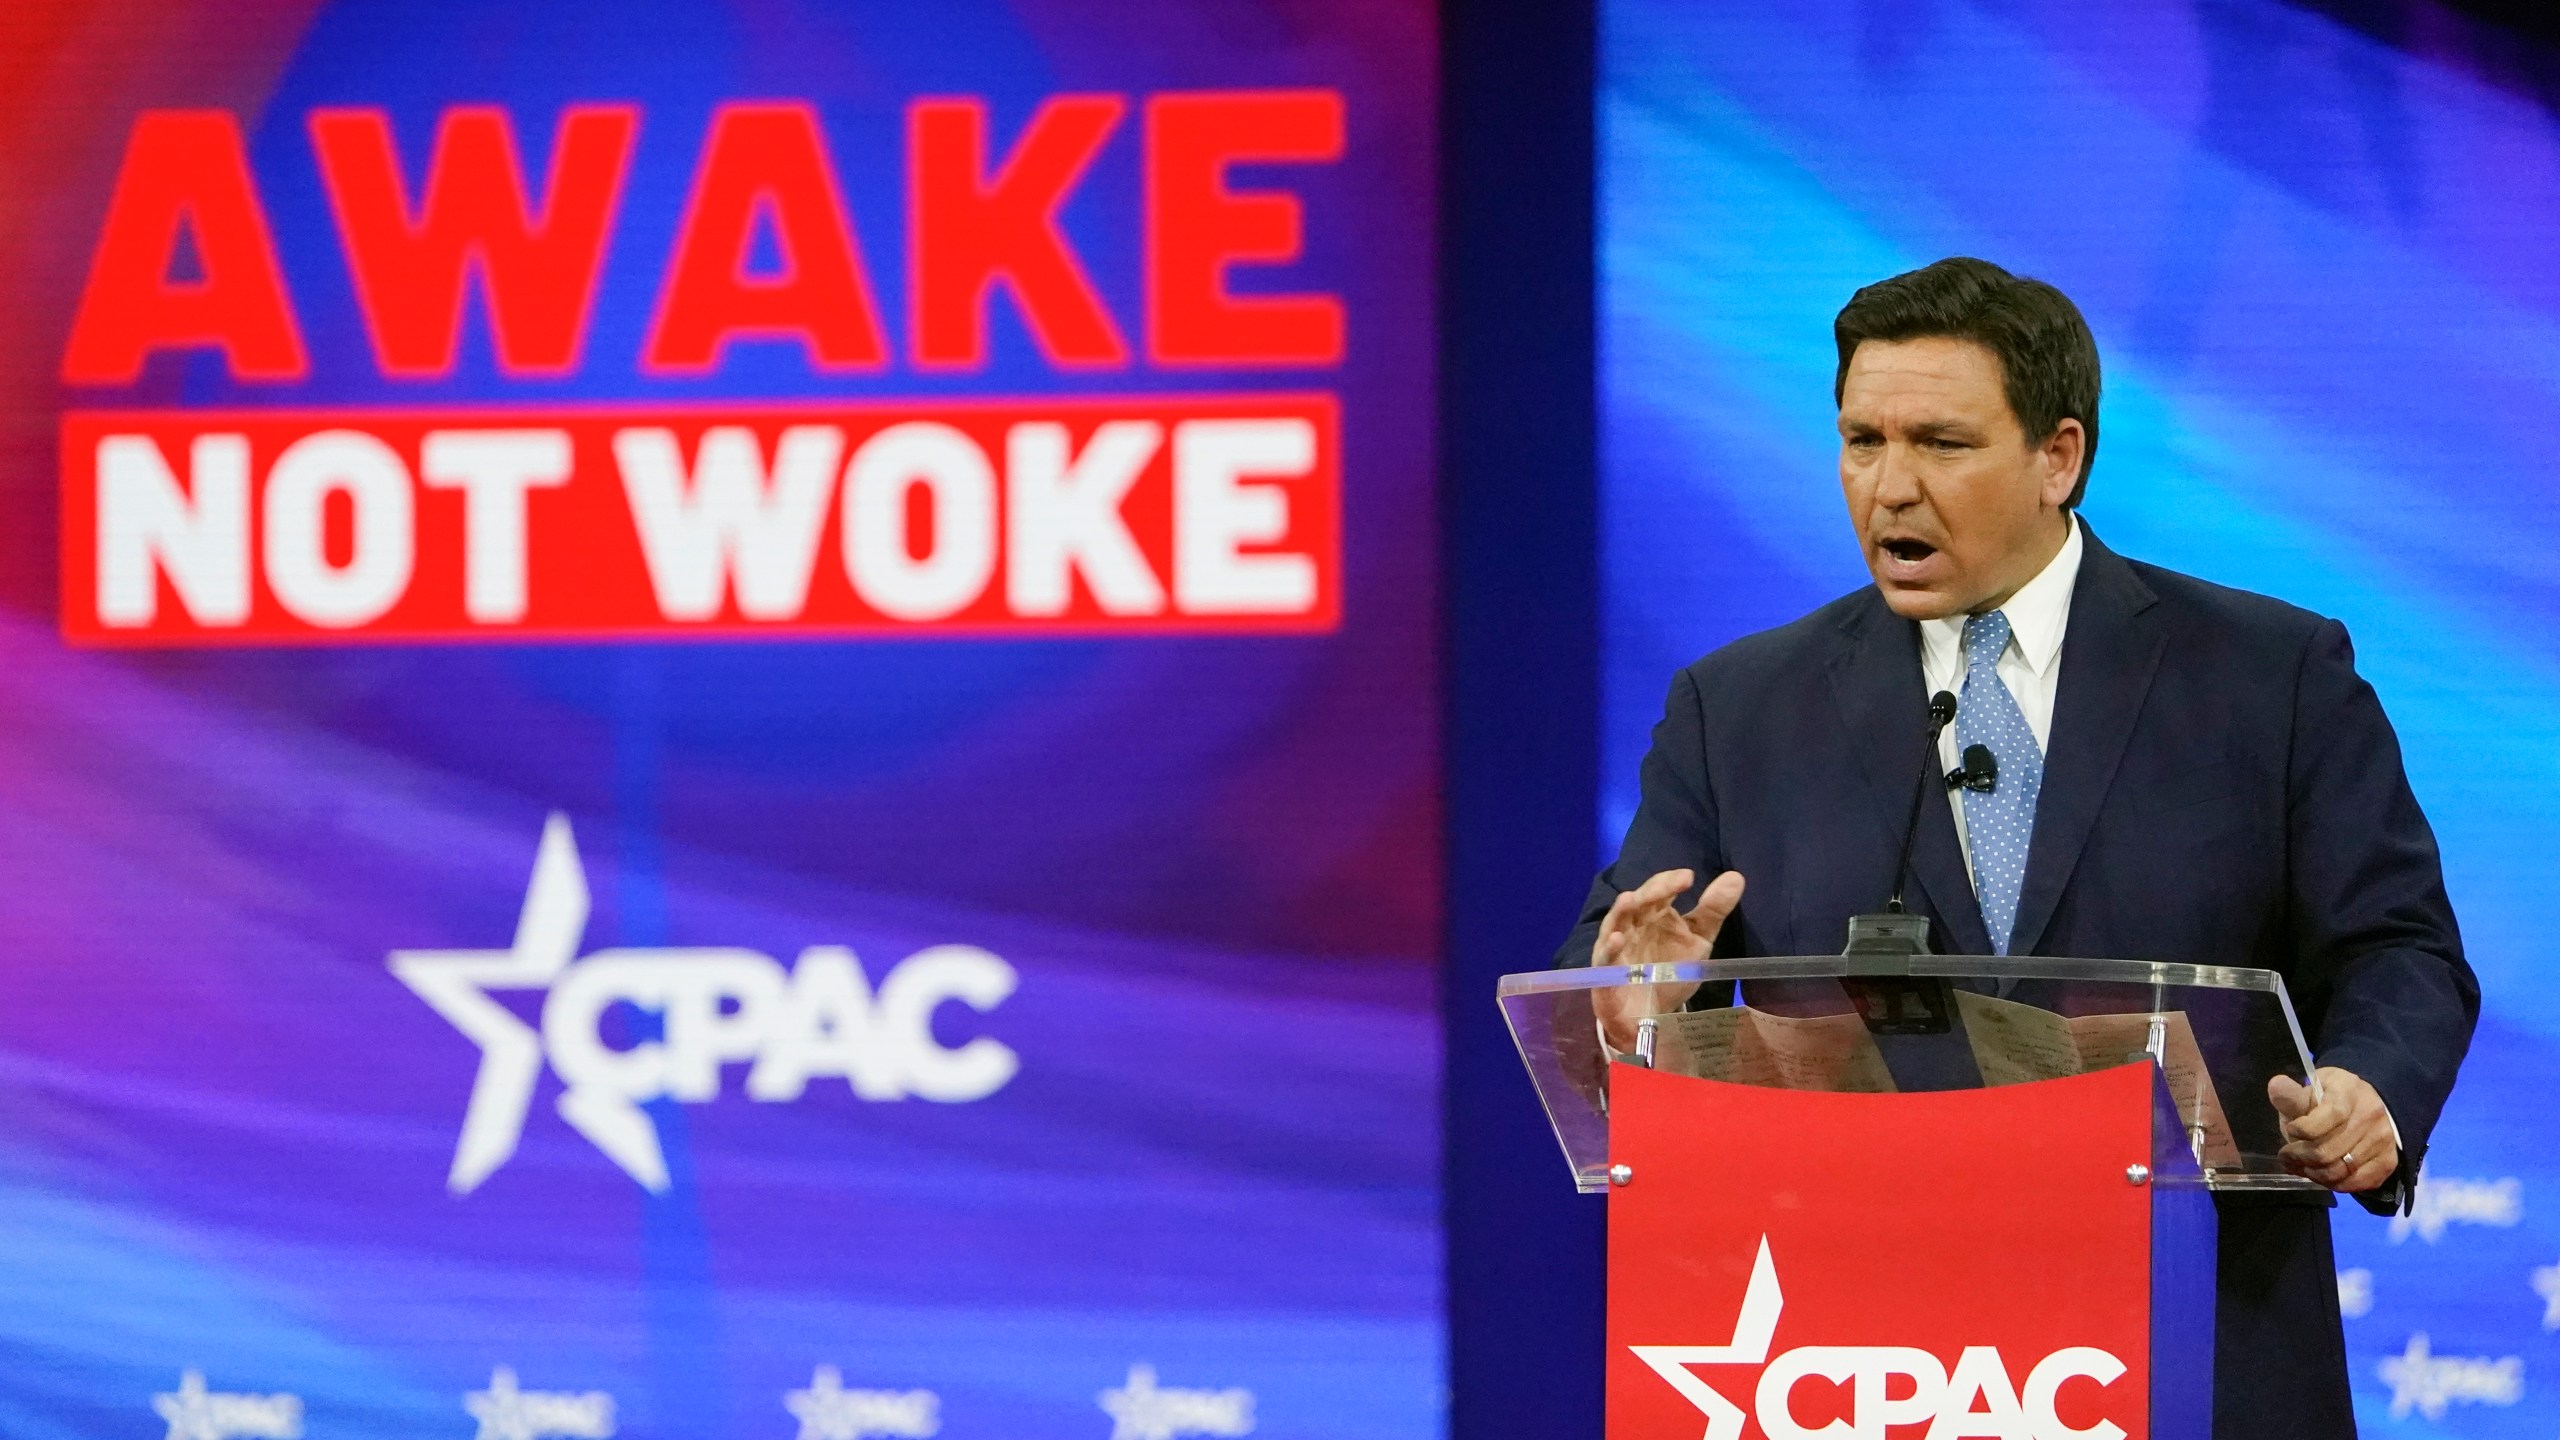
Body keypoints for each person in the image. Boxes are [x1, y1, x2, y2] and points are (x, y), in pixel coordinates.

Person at [1556, 257, 2478, 1437]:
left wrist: (2366, 1092)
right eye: (1861, 440)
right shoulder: (1737, 708)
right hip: (1853, 1360)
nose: (1889, 486)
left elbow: (2398, 948)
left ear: (2058, 457)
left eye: (1940, 444)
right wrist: (1627, 1009)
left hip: (2197, 1337)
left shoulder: (2268, 675)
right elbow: (1620, 970)